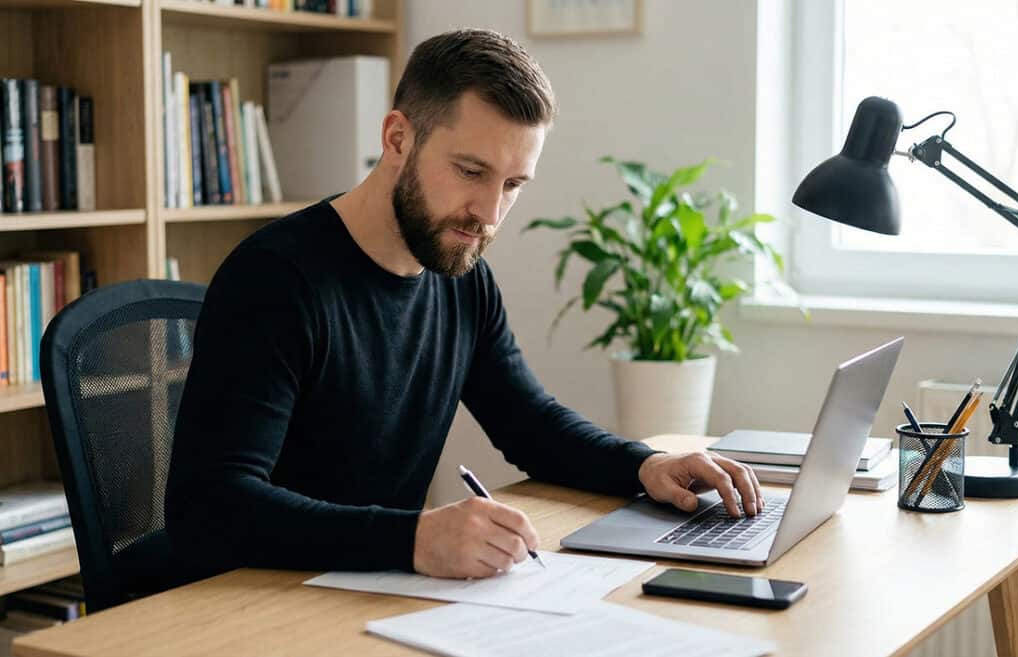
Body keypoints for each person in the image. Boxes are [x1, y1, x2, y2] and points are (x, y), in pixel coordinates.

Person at [165, 28, 763, 581]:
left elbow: (530, 425)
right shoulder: (275, 279)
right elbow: (212, 505)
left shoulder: (460, 277)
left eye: (512, 185)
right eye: (470, 171)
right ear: (397, 138)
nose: (489, 213)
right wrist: (413, 540)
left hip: (363, 592)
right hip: (252, 599)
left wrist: (643, 465)